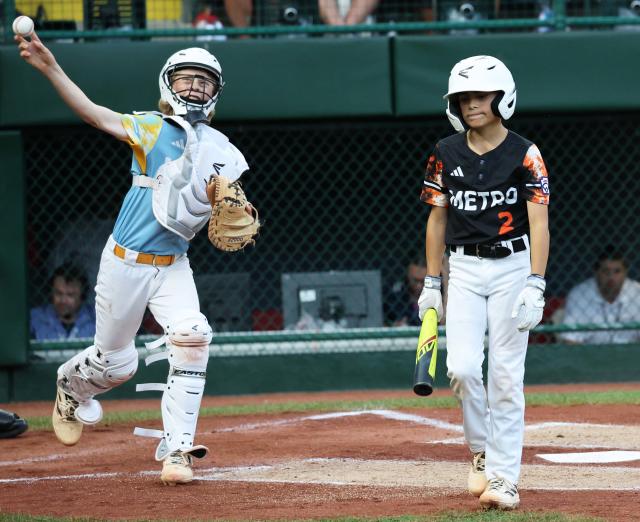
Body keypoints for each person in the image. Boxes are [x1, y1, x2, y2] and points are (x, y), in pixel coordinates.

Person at [16, 32, 252, 485]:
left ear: (216, 93)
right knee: (117, 365)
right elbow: (92, 113)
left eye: (205, 82)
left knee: (193, 336)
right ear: (168, 85)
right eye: (187, 80)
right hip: (125, 262)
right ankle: (71, 383)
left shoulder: (222, 151)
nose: (196, 89)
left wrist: (237, 205)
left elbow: (235, 203)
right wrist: (48, 65)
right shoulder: (152, 128)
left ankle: (178, 451)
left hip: (174, 266)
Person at [418, 55, 550, 510]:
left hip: (513, 267)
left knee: (507, 377)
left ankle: (504, 480)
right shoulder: (445, 151)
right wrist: (432, 282)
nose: (472, 104)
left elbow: (539, 223)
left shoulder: (526, 153)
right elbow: (437, 221)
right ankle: (480, 451)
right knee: (462, 368)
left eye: (480, 96)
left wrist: (537, 282)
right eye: (463, 97)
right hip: (465, 269)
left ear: (502, 97)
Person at [558, 247, 640, 344]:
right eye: (606, 271)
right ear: (596, 272)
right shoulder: (579, 294)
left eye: (617, 271)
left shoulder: (637, 292)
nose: (611, 277)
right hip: (590, 355)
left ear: (625, 272)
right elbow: (570, 341)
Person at [30, 262, 96, 341]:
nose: (63, 300)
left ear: (82, 297)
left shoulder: (96, 318)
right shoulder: (36, 317)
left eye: (70, 295)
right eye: (58, 293)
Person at [386, 254, 449, 326]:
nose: (419, 286)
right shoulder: (397, 295)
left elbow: (444, 322)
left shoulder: (438, 293)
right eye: (415, 280)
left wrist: (445, 277)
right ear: (408, 276)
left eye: (423, 281)